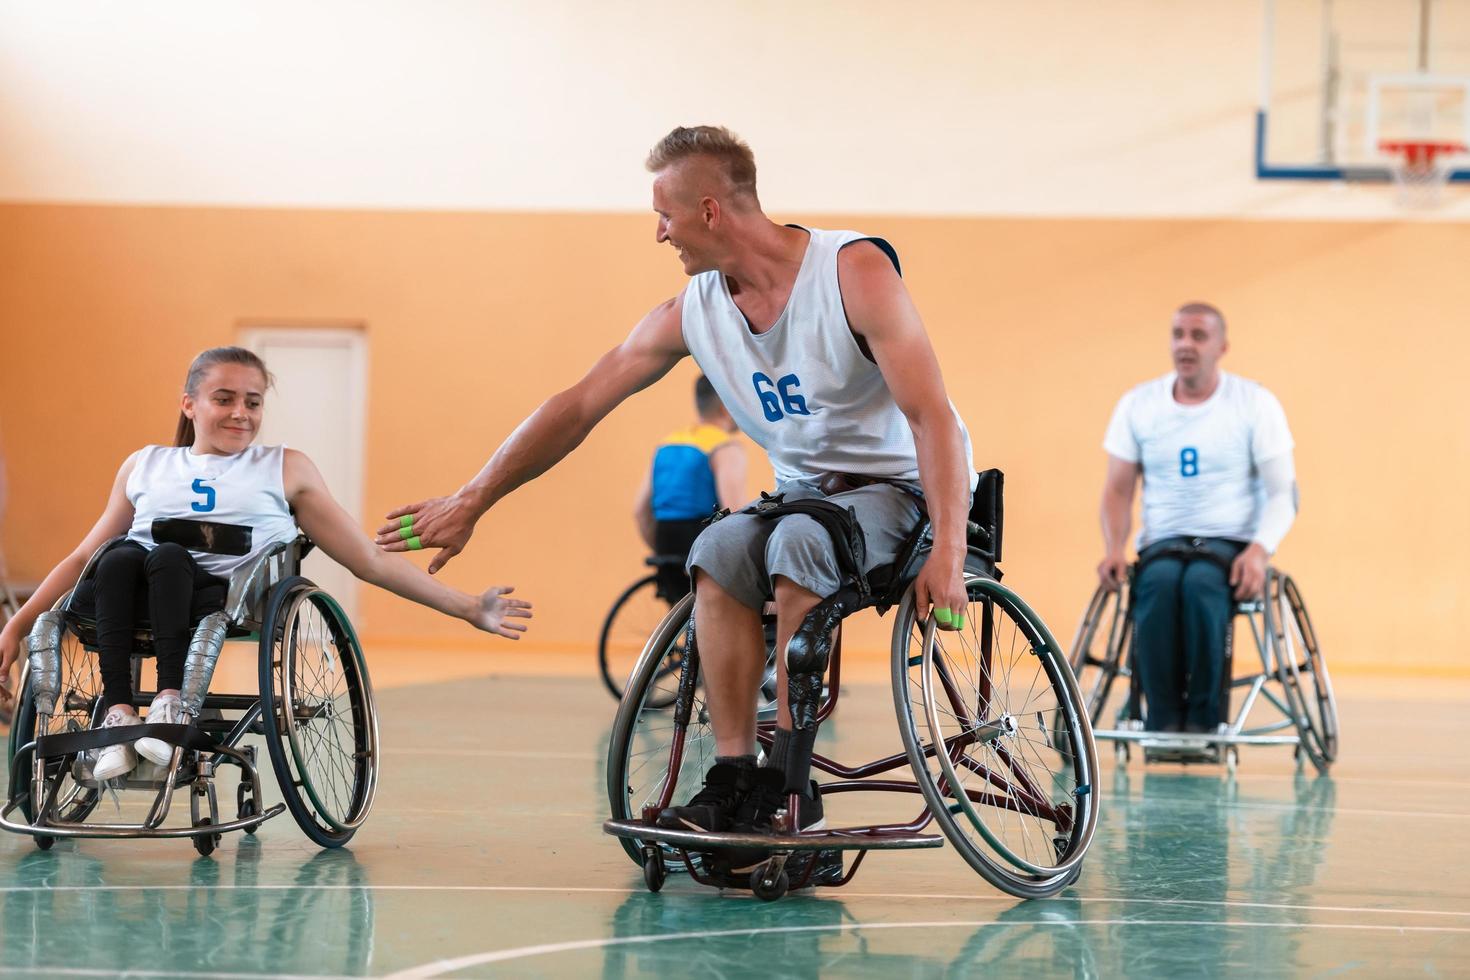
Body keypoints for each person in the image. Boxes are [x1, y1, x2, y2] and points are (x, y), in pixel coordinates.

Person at [375, 125, 974, 842]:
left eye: (665, 215)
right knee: (718, 550)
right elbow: (578, 402)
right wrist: (473, 497)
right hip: (809, 498)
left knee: (800, 541)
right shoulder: (693, 311)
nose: (660, 234)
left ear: (711, 211)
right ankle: (733, 774)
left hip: (901, 490)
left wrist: (948, 550)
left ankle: (789, 781)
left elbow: (931, 418)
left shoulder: (855, 272)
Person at [0, 346, 531, 779]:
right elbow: (79, 558)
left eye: (253, 402)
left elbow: (367, 560)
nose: (240, 413)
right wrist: (15, 628)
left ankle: (169, 702)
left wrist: (465, 607)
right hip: (123, 594)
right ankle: (118, 709)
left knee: (167, 556)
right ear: (190, 404)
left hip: (213, 598)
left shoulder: (285, 468)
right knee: (116, 559)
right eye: (224, 398)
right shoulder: (146, 464)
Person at [1096, 303, 1297, 733]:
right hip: (1163, 542)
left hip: (1229, 544)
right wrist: (1114, 548)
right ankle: (1164, 721)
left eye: (1198, 336)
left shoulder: (1254, 403)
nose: (1186, 344)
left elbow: (1284, 493)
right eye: (1178, 334)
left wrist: (1260, 553)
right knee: (1158, 587)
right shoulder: (1139, 404)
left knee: (1203, 589)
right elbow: (1117, 489)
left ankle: (1205, 723)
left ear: (1221, 346)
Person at [633, 375, 746, 600]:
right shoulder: (724, 446)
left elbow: (640, 511)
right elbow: (734, 511)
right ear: (725, 406)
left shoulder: (667, 445)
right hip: (702, 541)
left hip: (666, 541)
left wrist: (661, 549)